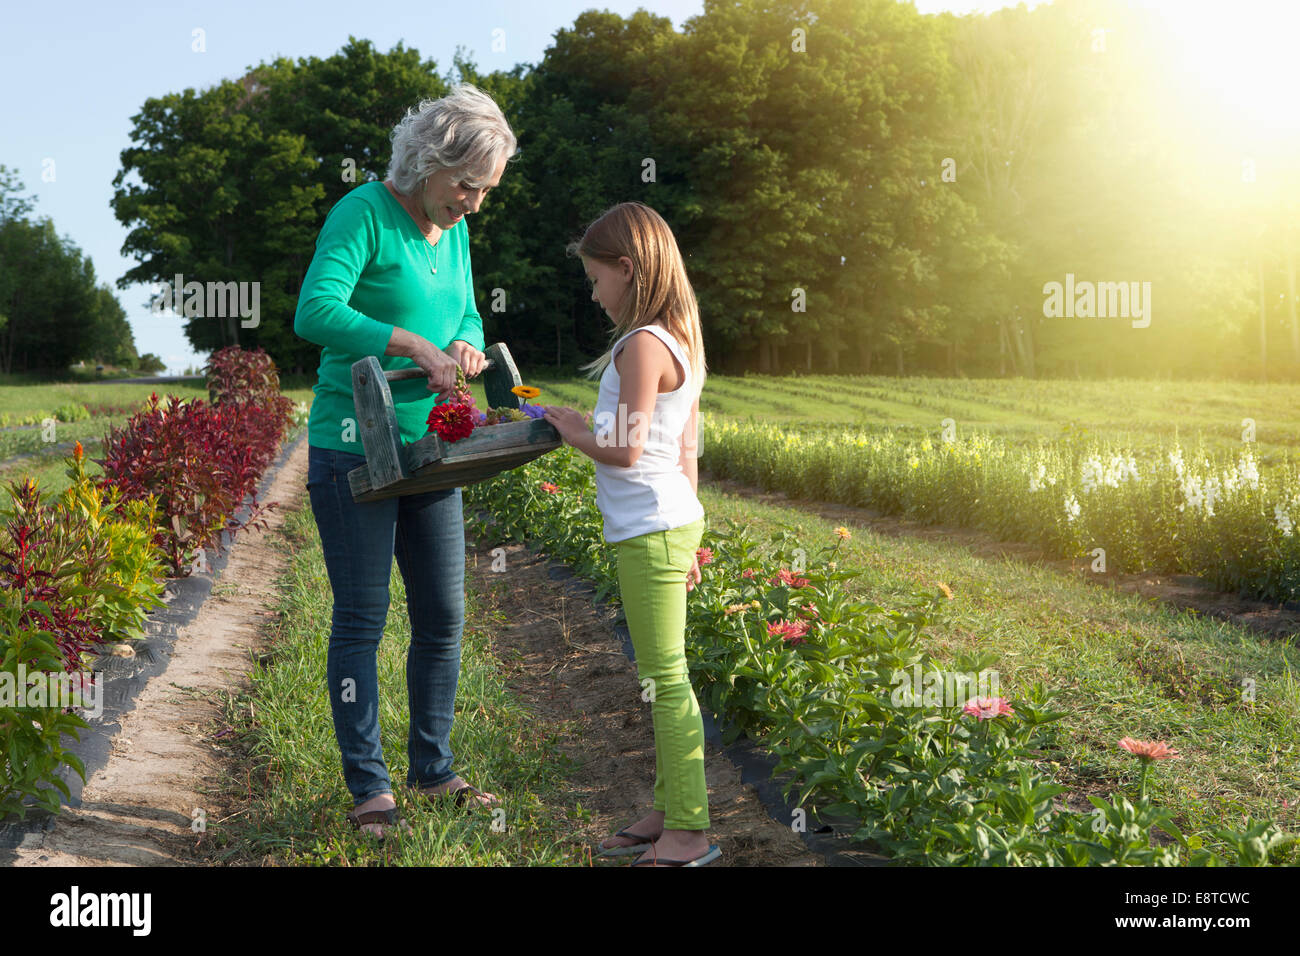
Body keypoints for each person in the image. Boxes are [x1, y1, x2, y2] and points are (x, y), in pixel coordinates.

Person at [293, 84, 516, 839]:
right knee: (362, 617)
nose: (475, 204)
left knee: (444, 616)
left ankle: (433, 766)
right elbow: (315, 311)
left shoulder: (452, 231)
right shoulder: (363, 214)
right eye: (467, 185)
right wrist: (408, 342)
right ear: (428, 161)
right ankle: (369, 788)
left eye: (485, 191)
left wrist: (461, 343)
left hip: (431, 450)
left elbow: (465, 312)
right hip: (354, 446)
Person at [542, 202, 719, 867]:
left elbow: (624, 449)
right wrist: (693, 536)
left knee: (665, 678)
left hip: (649, 528)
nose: (592, 294)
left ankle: (691, 833)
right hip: (671, 519)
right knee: (664, 673)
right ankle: (669, 808)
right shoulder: (680, 338)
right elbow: (686, 447)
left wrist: (569, 431)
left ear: (627, 268)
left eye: (595, 279)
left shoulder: (641, 343)